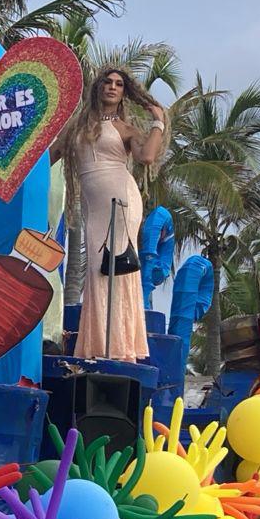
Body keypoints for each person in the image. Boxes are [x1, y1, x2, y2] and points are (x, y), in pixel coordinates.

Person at [53, 67, 165, 361]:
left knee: (116, 270)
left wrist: (159, 122)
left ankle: (119, 348)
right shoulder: (78, 125)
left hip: (122, 202)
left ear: (124, 93)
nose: (112, 87)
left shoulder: (125, 129)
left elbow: (147, 157)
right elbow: (51, 155)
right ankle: (97, 346)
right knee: (95, 271)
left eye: (118, 84)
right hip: (95, 207)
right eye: (108, 82)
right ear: (98, 86)